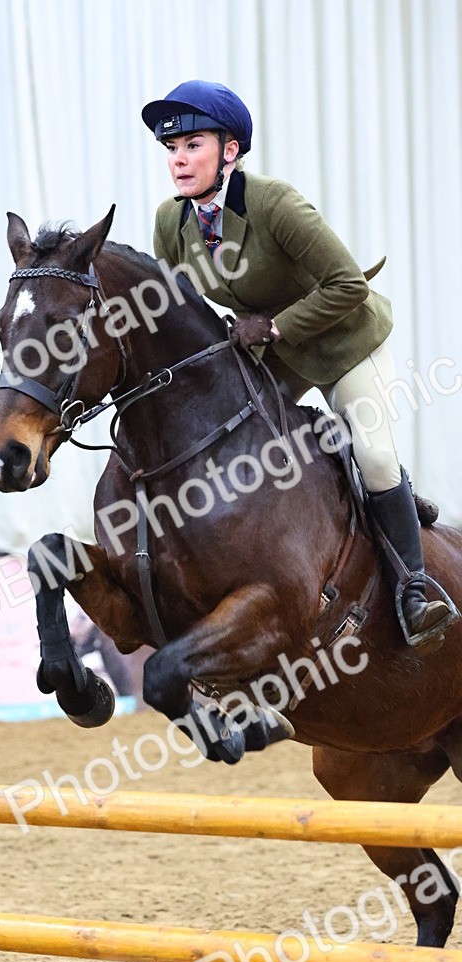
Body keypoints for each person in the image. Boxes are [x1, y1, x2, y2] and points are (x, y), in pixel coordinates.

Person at [142, 79, 454, 652]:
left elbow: (348, 285)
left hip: (342, 343)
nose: (179, 160)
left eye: (193, 145)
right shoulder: (172, 222)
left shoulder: (274, 204)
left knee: (376, 454)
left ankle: (415, 587)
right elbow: (175, 312)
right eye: (172, 149)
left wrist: (277, 325)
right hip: (274, 354)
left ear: (229, 151)